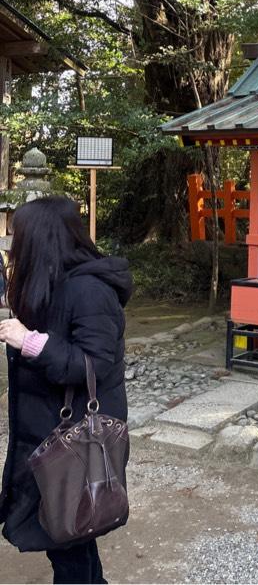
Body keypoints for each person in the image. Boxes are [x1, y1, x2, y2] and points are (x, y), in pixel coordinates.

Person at [0, 196, 133, 584]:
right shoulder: (57, 283)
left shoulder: (89, 290)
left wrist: (31, 343)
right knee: (73, 528)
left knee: (66, 534)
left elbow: (95, 362)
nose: (13, 246)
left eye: (17, 238)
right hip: (50, 433)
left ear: (42, 241)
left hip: (75, 439)